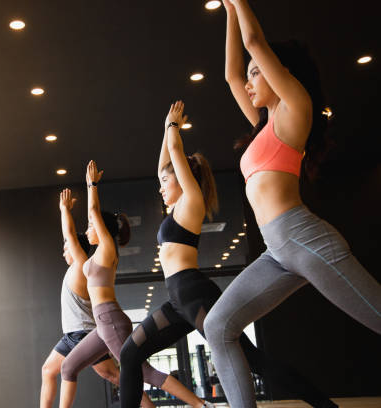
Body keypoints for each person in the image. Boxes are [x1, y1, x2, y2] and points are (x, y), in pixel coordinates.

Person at [203, 1, 381, 407]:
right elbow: (230, 74)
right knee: (219, 326)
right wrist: (228, 12)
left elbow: (254, 40)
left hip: (305, 240)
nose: (247, 82)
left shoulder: (295, 110)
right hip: (278, 252)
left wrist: (240, 3)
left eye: (256, 72)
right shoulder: (263, 126)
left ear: (281, 73)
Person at [119, 101, 337, 408]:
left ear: (182, 180)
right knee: (129, 354)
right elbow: (163, 167)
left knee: (254, 361)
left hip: (195, 296)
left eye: (167, 181)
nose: (160, 187)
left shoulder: (191, 200)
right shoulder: (175, 208)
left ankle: (326, 405)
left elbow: (175, 154)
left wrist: (172, 128)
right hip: (176, 301)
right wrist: (164, 136)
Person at [59, 161, 211, 408]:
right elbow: (76, 232)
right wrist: (66, 210)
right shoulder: (93, 256)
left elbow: (94, 212)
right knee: (68, 366)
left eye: (90, 227)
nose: (87, 231)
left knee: (146, 372)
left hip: (110, 321)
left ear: (102, 229)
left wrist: (92, 185)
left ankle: (201, 405)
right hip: (102, 324)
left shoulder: (107, 249)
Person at [40, 189, 149, 408]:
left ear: (76, 249)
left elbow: (70, 235)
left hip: (83, 333)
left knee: (114, 375)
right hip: (71, 334)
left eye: (66, 249)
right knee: (48, 370)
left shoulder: (81, 265)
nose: (64, 252)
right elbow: (69, 237)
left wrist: (64, 210)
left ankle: (148, 405)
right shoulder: (75, 268)